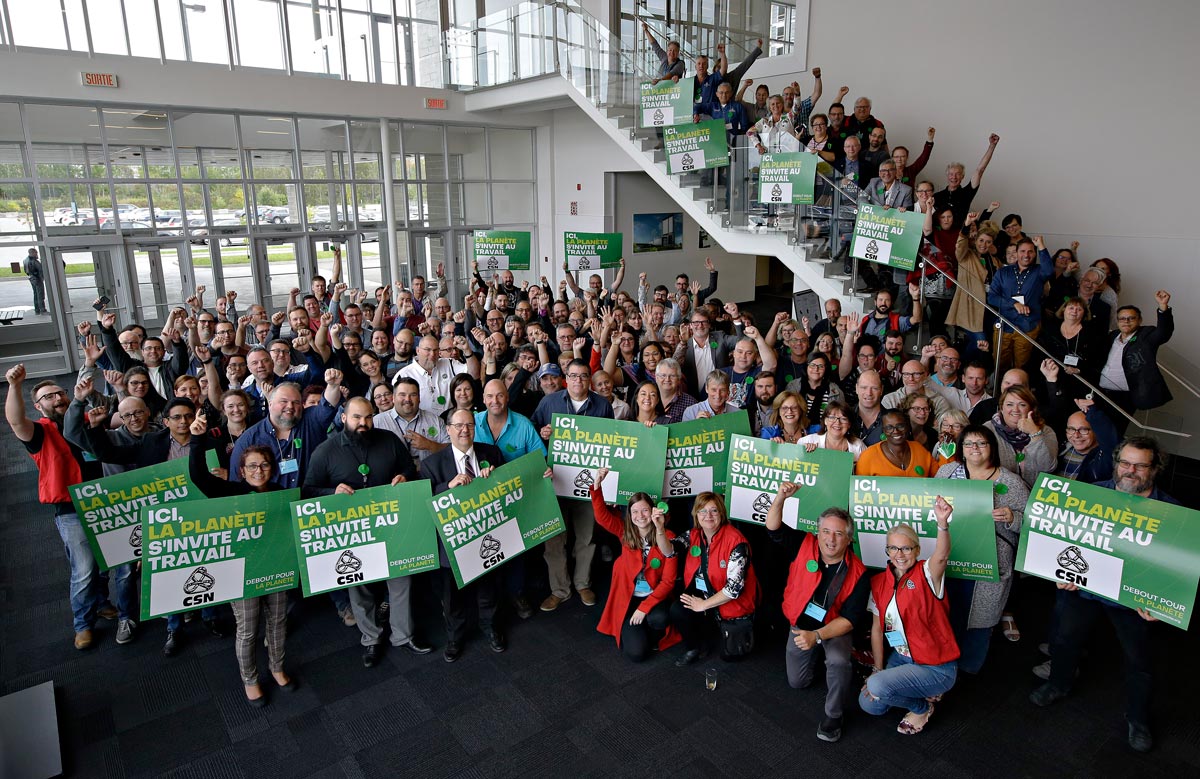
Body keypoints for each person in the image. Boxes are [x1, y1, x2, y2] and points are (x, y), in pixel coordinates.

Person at [1030, 436, 1178, 752]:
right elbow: (1061, 539)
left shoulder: (1173, 514)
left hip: (1134, 603)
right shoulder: (1090, 494)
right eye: (1125, 462)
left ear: (1155, 469)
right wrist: (1057, 571)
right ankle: (1059, 684)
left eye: (1140, 465)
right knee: (1064, 640)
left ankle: (1137, 718)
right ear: (1115, 463)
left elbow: (1176, 569)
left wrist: (1162, 603)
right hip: (1083, 590)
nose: (1131, 470)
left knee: (1140, 660)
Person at [302, 397, 427, 667]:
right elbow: (308, 490)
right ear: (344, 418)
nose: (364, 423)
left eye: (368, 417)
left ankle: (403, 637)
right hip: (352, 531)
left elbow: (408, 467)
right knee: (359, 587)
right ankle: (371, 639)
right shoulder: (325, 451)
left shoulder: (389, 440)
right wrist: (330, 492)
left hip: (391, 525)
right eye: (357, 417)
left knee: (401, 580)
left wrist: (404, 477)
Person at [5, 364, 114, 650]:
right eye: (49, 397)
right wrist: (14, 386)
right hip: (70, 509)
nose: (57, 399)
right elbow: (16, 422)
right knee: (84, 569)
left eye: (59, 393)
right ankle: (83, 624)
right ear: (39, 406)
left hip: (104, 502)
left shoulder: (85, 419)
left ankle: (102, 603)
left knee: (105, 561)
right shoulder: (40, 432)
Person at [185, 431, 292, 706]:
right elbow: (199, 477)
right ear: (242, 471)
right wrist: (197, 441)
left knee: (278, 621)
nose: (260, 470)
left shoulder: (281, 494)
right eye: (253, 466)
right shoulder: (230, 492)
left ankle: (277, 668)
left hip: (276, 568)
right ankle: (250, 679)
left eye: (265, 464)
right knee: (248, 629)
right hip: (242, 574)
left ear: (273, 468)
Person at [766, 482, 869, 742]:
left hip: (833, 628)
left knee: (837, 662)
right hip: (799, 625)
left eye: (838, 534)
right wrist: (780, 497)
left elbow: (849, 620)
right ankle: (816, 658)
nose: (830, 539)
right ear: (817, 532)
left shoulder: (859, 573)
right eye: (825, 531)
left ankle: (834, 715)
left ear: (849, 538)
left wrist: (818, 636)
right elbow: (772, 527)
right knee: (797, 683)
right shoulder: (804, 543)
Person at [859, 500, 958, 735]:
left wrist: (942, 524)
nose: (899, 554)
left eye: (906, 548)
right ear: (887, 551)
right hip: (903, 659)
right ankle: (918, 689)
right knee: (870, 705)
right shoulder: (878, 583)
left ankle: (922, 707)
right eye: (893, 548)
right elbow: (876, 629)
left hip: (935, 666)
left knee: (877, 687)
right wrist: (878, 669)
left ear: (917, 550)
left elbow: (942, 556)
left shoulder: (926, 573)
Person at [935, 426, 1028, 674]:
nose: (975, 449)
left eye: (982, 444)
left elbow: (1031, 524)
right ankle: (943, 666)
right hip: (951, 556)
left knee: (979, 618)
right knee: (945, 612)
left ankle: (968, 669)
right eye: (969, 444)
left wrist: (1012, 517)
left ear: (992, 449)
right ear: (961, 450)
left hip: (989, 563)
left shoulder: (1010, 482)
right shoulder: (947, 472)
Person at [419, 409, 507, 662]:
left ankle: (490, 628)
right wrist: (447, 487)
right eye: (458, 426)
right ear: (448, 429)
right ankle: (455, 636)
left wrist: (496, 478)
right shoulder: (432, 464)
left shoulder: (491, 454)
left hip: (486, 536)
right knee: (452, 596)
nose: (464, 430)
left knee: (488, 589)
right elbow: (423, 501)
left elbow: (510, 486)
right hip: (451, 544)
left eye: (468, 425)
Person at [531, 359, 614, 611]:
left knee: (586, 536)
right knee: (554, 540)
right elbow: (532, 431)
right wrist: (542, 433)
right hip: (555, 483)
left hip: (587, 485)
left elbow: (612, 443)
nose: (578, 381)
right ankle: (560, 589)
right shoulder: (549, 402)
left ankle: (582, 583)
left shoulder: (602, 405)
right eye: (573, 376)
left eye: (583, 376)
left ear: (590, 379)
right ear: (566, 377)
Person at [590, 467, 680, 661]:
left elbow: (668, 582)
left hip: (655, 597)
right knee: (637, 654)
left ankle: (650, 626)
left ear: (653, 511)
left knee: (659, 619)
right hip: (630, 599)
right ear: (629, 515)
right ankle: (637, 627)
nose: (640, 516)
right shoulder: (625, 533)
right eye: (635, 511)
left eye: (645, 510)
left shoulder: (667, 537)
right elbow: (602, 517)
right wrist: (597, 486)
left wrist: (644, 608)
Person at [669, 493, 759, 666]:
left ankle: (718, 624)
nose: (708, 516)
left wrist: (703, 605)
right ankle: (695, 646)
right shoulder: (695, 534)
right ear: (696, 514)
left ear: (722, 514)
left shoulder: (736, 542)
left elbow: (733, 589)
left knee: (731, 656)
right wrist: (659, 528)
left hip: (731, 601)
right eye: (702, 511)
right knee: (678, 610)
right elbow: (670, 550)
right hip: (707, 590)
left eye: (714, 511)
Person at [1098, 293, 1174, 428]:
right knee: (1095, 428)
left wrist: (1163, 307)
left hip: (1124, 396)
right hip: (1101, 391)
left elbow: (1163, 332)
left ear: (1139, 320)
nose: (1126, 321)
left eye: (1131, 318)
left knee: (1115, 430)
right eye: (1122, 319)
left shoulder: (1145, 335)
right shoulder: (1113, 335)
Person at [987, 236, 1056, 373]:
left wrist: (1041, 246)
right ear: (1016, 253)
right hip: (1004, 324)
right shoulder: (1003, 272)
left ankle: (1019, 392)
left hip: (1028, 325)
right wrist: (1014, 304)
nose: (1026, 255)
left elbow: (1049, 271)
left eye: (1030, 251)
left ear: (1035, 253)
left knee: (1022, 365)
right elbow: (992, 298)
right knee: (999, 364)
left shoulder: (1038, 271)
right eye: (1022, 251)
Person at [984, 385, 1058, 488]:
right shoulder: (986, 430)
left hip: (1035, 497)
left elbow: (1048, 467)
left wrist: (1034, 433)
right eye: (1009, 404)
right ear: (1001, 408)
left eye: (1022, 405)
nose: (1015, 410)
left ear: (1031, 408)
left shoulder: (1045, 431)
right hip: (1000, 493)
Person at [933, 134, 1000, 228]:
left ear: (962, 176)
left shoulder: (967, 193)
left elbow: (980, 170)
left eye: (958, 174)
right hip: (939, 235)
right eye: (951, 174)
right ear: (947, 176)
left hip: (959, 234)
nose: (954, 177)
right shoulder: (936, 196)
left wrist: (992, 146)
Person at [855, 410, 934, 477]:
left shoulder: (919, 449)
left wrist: (945, 450)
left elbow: (941, 478)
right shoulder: (868, 456)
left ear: (907, 427)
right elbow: (858, 490)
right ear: (884, 430)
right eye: (889, 427)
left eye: (900, 426)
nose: (896, 431)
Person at [1056, 398, 1119, 483]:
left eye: (1083, 430)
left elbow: (1110, 440)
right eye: (1071, 429)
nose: (1076, 435)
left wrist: (1094, 415)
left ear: (1096, 432)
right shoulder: (1059, 448)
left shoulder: (1104, 457)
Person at [797, 400, 865, 461]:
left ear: (849, 424)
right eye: (832, 417)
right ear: (825, 421)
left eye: (843, 419)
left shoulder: (858, 445)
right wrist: (804, 453)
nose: (837, 423)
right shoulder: (806, 441)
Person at [24, 247, 46, 315]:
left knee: (35, 294)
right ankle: (42, 309)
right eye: (36, 252)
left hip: (31, 278)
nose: (37, 254)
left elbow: (25, 270)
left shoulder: (25, 260)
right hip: (37, 279)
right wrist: (42, 278)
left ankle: (37, 309)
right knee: (40, 294)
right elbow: (41, 270)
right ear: (32, 253)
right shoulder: (34, 261)